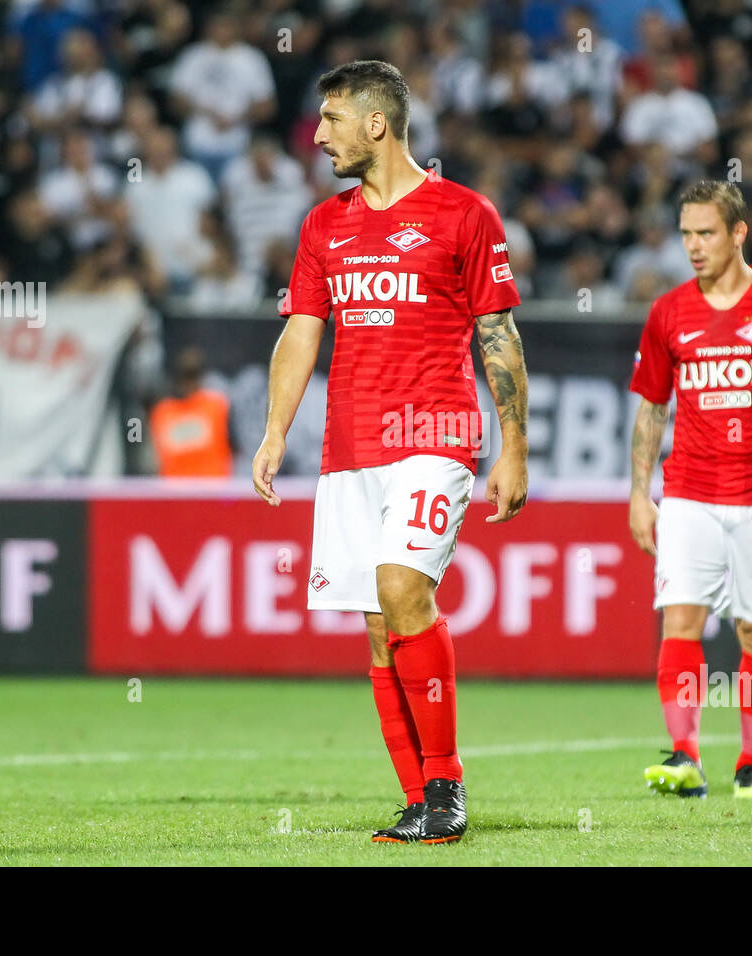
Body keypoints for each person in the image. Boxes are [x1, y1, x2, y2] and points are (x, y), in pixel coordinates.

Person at [252, 60, 529, 844]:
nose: (318, 135)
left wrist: (514, 449)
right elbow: (301, 330)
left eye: (330, 119)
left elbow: (499, 334)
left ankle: (446, 786)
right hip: (349, 449)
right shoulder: (323, 226)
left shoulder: (464, 215)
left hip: (434, 439)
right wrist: (277, 431)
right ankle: (418, 799)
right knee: (378, 627)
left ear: (377, 123)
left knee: (404, 588)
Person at [628, 180, 752, 800]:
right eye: (686, 233)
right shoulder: (668, 312)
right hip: (688, 491)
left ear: (739, 233)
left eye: (706, 233)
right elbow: (650, 411)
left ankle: (751, 765)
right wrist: (640, 491)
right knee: (681, 622)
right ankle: (686, 755)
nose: (692, 246)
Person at [151, 347, 232, 478]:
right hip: (179, 493)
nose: (189, 382)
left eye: (192, 375)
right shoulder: (162, 412)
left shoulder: (217, 406)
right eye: (187, 375)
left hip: (212, 491)